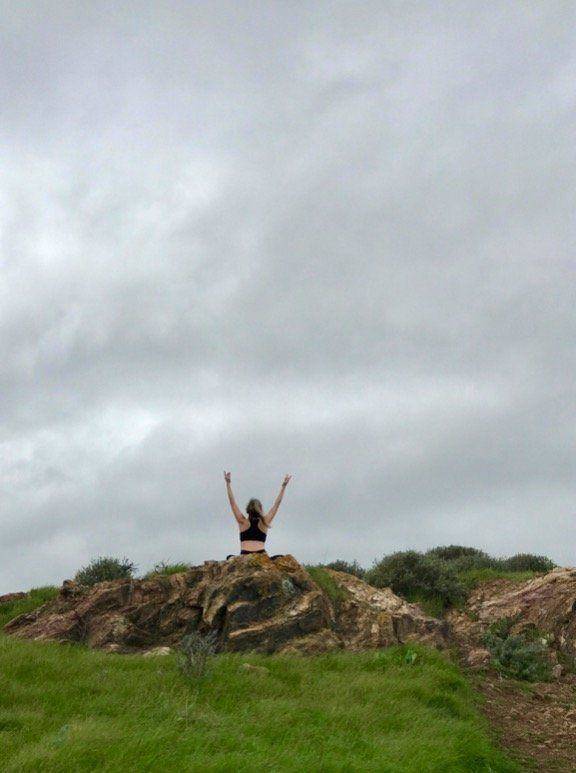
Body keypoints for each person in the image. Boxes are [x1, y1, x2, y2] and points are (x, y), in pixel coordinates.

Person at [224, 471, 291, 559]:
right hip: (261, 555)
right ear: (261, 509)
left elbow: (232, 502)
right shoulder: (265, 522)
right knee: (280, 557)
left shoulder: (242, 521)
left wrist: (228, 483)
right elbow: (276, 504)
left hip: (245, 554)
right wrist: (284, 486)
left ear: (247, 509)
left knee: (229, 557)